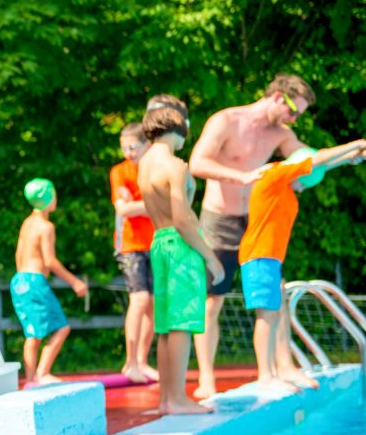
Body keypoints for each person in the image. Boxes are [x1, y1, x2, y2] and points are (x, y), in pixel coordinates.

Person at [189, 74, 314, 398]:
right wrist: (241, 176)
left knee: (277, 291)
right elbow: (196, 163)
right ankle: (206, 378)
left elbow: (306, 158)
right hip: (220, 219)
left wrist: (341, 157)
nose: (294, 119)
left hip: (257, 220)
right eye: (293, 111)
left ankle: (284, 367)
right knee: (212, 300)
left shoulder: (281, 133)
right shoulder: (227, 121)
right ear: (276, 98)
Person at [239, 141, 366, 391]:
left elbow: (319, 165)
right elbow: (316, 160)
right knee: (267, 316)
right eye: (303, 182)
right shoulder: (275, 174)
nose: (302, 189)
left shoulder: (285, 185)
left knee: (279, 313)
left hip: (271, 257)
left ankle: (283, 369)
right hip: (258, 255)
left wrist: (349, 157)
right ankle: (266, 375)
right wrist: (359, 143)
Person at [137, 98, 225, 415]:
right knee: (182, 324)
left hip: (159, 243)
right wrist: (211, 258)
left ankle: (166, 399)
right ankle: (177, 400)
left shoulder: (144, 164)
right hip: (181, 246)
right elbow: (183, 218)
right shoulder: (175, 165)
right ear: (178, 128)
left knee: (165, 325)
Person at [10, 178, 89, 388]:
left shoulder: (27, 223)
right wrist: (75, 282)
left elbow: (19, 254)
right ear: (47, 198)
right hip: (35, 280)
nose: (56, 199)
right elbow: (50, 261)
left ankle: (31, 379)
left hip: (19, 280)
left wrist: (22, 279)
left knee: (32, 333)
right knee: (62, 327)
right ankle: (41, 373)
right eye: (53, 195)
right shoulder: (46, 226)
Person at [110, 123, 157, 383]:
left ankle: (142, 361)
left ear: (147, 145)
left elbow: (169, 204)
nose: (128, 152)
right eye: (124, 147)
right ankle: (130, 363)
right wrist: (151, 205)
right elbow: (124, 210)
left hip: (155, 242)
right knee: (139, 300)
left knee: (152, 306)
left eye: (133, 147)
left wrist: (139, 204)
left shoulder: (153, 169)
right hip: (130, 244)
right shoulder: (119, 172)